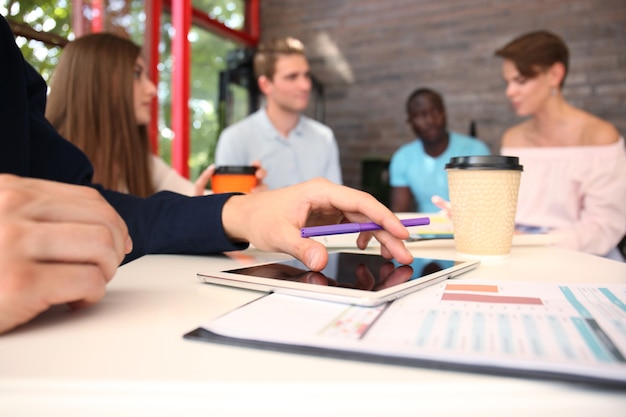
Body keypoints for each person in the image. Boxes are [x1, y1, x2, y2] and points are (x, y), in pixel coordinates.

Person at [0, 16, 413, 334]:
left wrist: (244, 211)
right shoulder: (236, 136)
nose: (151, 89)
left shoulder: (83, 160)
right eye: (136, 74)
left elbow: (119, 211)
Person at [45, 32, 265, 197]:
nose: (152, 89)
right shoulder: (46, 163)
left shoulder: (141, 162)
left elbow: (193, 200)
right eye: (135, 74)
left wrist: (244, 201)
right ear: (94, 82)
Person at [495, 30, 626, 261]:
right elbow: (505, 211)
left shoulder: (598, 136)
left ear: (555, 74)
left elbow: (606, 226)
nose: (510, 92)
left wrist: (532, 244)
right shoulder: (512, 138)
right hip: (514, 254)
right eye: (508, 82)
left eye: (521, 81)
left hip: (583, 259)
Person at [214, 36, 342, 190]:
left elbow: (334, 205)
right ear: (266, 84)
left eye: (306, 75)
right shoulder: (235, 139)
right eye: (291, 77)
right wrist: (251, 201)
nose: (305, 85)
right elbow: (227, 209)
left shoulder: (324, 138)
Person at [389, 88, 490, 213]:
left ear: (444, 113)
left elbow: (486, 205)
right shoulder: (402, 158)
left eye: (435, 112)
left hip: (468, 227)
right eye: (421, 115)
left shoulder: (475, 150)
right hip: (424, 229)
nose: (430, 121)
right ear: (410, 122)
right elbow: (399, 212)